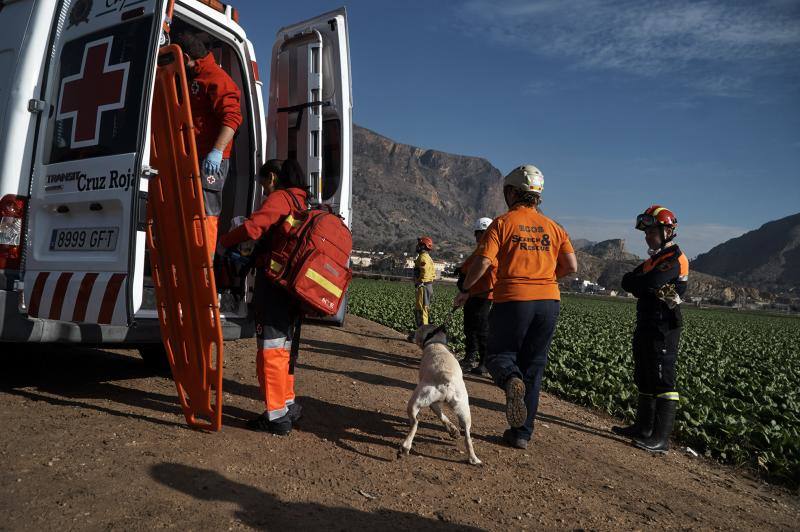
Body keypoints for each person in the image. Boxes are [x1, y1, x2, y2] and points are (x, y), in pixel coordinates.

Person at [454, 165, 577, 450]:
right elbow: (571, 266)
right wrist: (544, 278)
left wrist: (465, 289)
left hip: (513, 300)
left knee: (499, 356)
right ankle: (521, 433)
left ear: (511, 192)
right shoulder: (555, 228)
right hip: (549, 301)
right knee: (534, 367)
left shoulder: (503, 223)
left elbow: (483, 263)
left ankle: (510, 379)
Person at [218, 159, 307, 435]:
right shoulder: (301, 200)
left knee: (270, 350)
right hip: (292, 289)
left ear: (271, 177)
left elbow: (253, 228)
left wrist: (224, 241)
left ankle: (276, 417)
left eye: (262, 184)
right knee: (284, 349)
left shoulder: (280, 198)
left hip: (274, 287)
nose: (263, 191)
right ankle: (287, 405)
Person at [613, 205, 688, 453]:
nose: (647, 236)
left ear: (667, 230)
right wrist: (641, 284)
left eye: (651, 231)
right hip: (647, 321)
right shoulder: (654, 260)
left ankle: (661, 439)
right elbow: (627, 281)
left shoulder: (675, 258)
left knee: (662, 378)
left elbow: (649, 283)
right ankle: (643, 428)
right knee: (644, 375)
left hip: (664, 326)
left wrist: (641, 284)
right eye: (646, 232)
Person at [172, 32, 242, 256]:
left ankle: (205, 263)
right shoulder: (191, 79)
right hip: (191, 155)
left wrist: (217, 151)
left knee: (206, 211)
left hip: (210, 159)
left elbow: (232, 119)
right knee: (189, 209)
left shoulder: (217, 78)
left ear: (184, 57)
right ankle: (188, 256)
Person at [457, 217, 496, 376]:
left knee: (481, 329)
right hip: (473, 293)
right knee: (470, 327)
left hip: (485, 294)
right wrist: (462, 270)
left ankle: (484, 362)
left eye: (479, 233)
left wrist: (465, 275)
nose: (477, 237)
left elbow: (483, 266)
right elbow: (471, 263)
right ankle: (469, 357)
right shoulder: (481, 247)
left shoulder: (491, 248)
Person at [413, 236, 435, 328]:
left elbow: (424, 272)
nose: (417, 246)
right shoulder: (427, 257)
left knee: (422, 309)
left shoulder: (423, 258)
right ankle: (421, 332)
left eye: (419, 244)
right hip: (426, 286)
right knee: (423, 308)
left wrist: (420, 282)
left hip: (423, 286)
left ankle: (422, 334)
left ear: (423, 246)